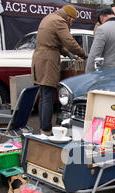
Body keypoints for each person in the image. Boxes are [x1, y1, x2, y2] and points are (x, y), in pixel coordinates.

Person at [31, 5, 87, 135]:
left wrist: (68, 54)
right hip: (48, 60)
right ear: (68, 16)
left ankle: (43, 127)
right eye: (72, 20)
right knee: (49, 95)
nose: (71, 23)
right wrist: (83, 54)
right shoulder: (59, 21)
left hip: (39, 58)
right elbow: (69, 41)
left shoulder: (49, 18)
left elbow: (55, 41)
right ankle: (46, 130)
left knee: (44, 95)